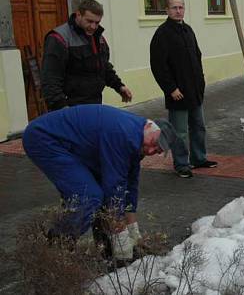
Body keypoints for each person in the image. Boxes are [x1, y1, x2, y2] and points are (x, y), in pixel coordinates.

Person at [22, 104, 181, 261]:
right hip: (44, 139)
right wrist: (120, 235)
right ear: (148, 126)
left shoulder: (138, 140)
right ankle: (55, 248)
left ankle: (106, 252)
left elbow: (130, 185)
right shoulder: (124, 134)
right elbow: (115, 185)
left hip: (72, 144)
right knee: (89, 197)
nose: (152, 150)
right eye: (154, 143)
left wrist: (133, 232)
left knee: (98, 197)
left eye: (158, 151)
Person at [150, 0, 217, 178]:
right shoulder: (162, 34)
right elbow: (158, 66)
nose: (178, 11)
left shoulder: (188, 30)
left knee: (199, 127)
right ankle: (181, 164)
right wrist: (171, 88)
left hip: (194, 91)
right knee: (179, 132)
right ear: (167, 10)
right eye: (174, 8)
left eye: (181, 7)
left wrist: (201, 83)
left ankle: (199, 158)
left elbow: (197, 56)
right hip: (177, 93)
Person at [41, 0, 133, 111]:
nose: (93, 27)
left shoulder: (98, 37)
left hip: (94, 104)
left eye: (97, 22)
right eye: (89, 21)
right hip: (69, 107)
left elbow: (104, 67)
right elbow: (50, 80)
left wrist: (119, 86)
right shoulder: (59, 38)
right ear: (78, 14)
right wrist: (62, 108)